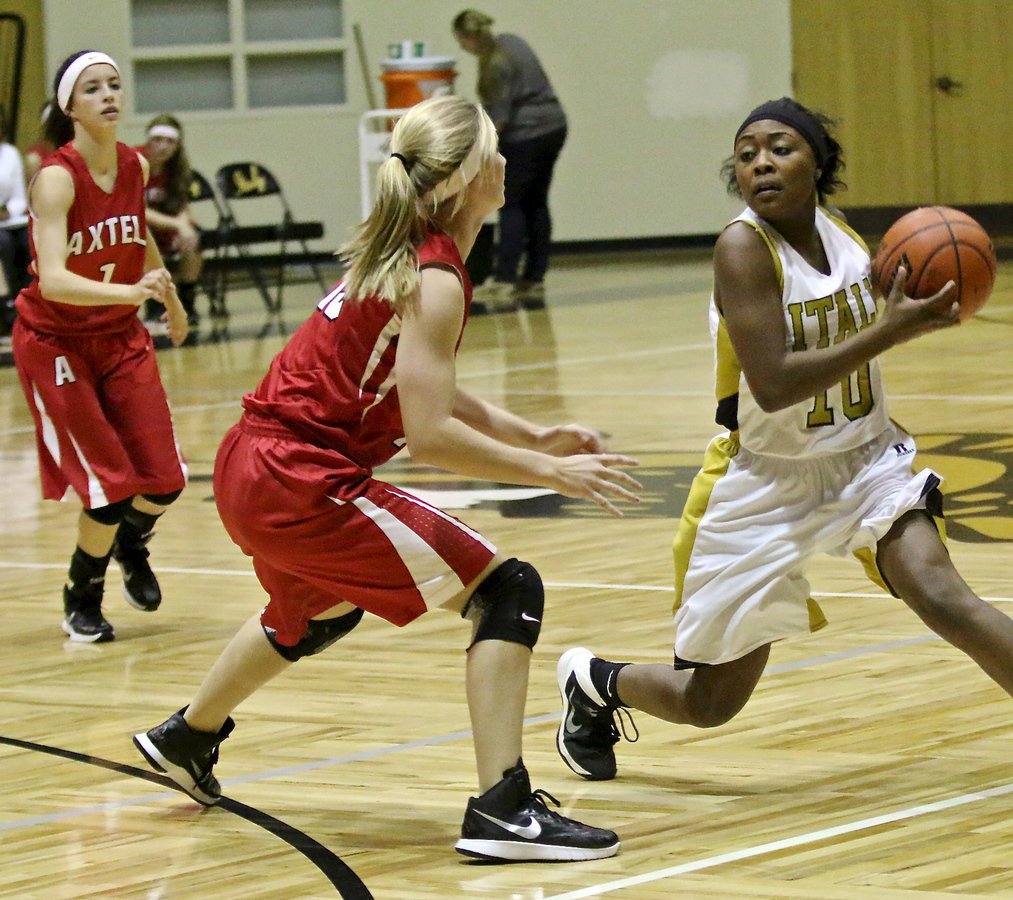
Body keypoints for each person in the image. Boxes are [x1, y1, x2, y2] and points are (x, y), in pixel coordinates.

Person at [554, 97, 1013, 819]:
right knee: (707, 704)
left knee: (939, 590)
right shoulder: (741, 250)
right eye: (746, 153)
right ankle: (596, 682)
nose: (760, 162)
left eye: (780, 147)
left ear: (819, 163)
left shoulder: (856, 242)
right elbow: (772, 383)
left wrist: (913, 314)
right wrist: (891, 331)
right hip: (766, 482)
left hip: (865, 460)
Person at [132, 94, 641, 862]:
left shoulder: (406, 255)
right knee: (509, 590)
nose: (506, 162)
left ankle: (187, 737)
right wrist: (550, 470)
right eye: (495, 151)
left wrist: (530, 431)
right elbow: (431, 432)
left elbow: (414, 381)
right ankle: (502, 808)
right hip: (301, 476)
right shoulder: (434, 276)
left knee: (318, 612)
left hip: (254, 464)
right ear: (471, 177)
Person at [11, 50, 190, 643]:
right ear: (70, 106)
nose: (109, 95)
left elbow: (138, 238)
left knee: (163, 479)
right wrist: (129, 286)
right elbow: (54, 278)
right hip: (56, 342)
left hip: (119, 336)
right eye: (93, 88)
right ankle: (81, 594)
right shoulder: (57, 178)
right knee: (108, 487)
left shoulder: (134, 164)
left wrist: (170, 299)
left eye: (114, 84)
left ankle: (131, 544)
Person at [452, 8, 567, 312]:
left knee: (511, 202)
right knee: (537, 201)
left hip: (527, 134)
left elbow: (498, 119)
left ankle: (504, 278)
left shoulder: (495, 65)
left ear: (466, 38)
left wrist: (475, 151)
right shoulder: (512, 41)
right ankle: (534, 275)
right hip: (554, 126)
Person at [139, 114, 203, 328]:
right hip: (139, 227)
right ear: (148, 141)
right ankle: (155, 306)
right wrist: (178, 224)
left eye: (170, 142)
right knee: (143, 240)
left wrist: (185, 227)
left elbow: (181, 205)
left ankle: (187, 301)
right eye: (158, 140)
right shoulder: (134, 162)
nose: (163, 147)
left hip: (166, 226)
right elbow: (137, 209)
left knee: (194, 238)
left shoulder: (177, 168)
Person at [1, 102, 32, 334]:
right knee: (3, 242)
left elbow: (21, 197)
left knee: (27, 239)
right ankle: (8, 305)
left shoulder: (10, 153)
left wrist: (9, 211)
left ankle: (30, 304)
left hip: (10, 218)